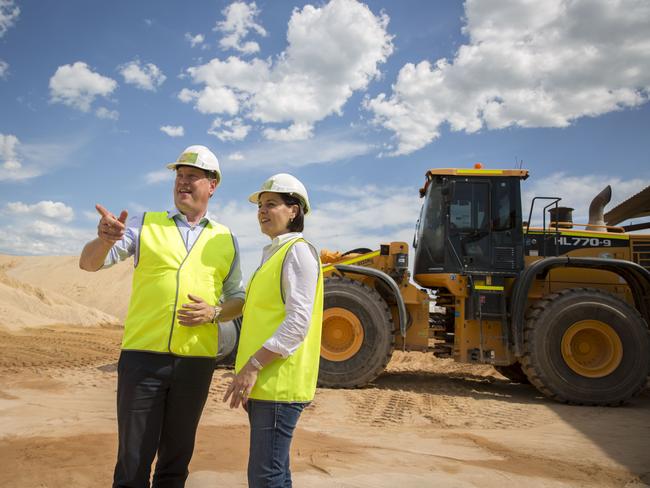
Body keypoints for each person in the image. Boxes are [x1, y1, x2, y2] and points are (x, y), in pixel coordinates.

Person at [79, 145, 245, 488]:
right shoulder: (145, 224)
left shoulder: (226, 238)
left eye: (192, 177)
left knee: (175, 463)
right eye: (179, 176)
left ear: (212, 185)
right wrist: (103, 241)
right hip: (143, 359)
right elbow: (89, 263)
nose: (182, 182)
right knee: (133, 462)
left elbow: (238, 300)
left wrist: (214, 313)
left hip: (196, 363)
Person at [223, 173, 323, 488]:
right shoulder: (275, 253)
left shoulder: (297, 252)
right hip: (268, 384)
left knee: (265, 476)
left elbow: (297, 324)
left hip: (278, 383)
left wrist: (253, 366)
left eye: (272, 204)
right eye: (260, 206)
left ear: (294, 210)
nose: (262, 211)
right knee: (276, 473)